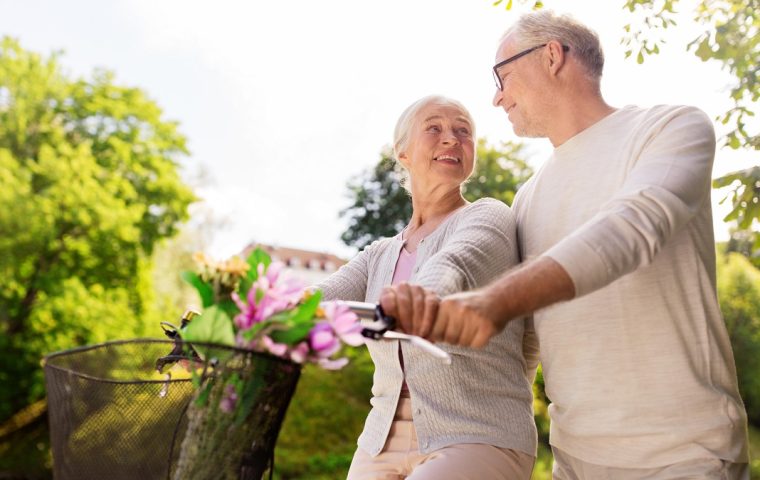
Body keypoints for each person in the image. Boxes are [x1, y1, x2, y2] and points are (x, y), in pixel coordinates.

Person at [380, 11, 751, 480]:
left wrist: (492, 301)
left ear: (551, 56)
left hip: (684, 455)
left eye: (503, 76)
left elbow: (633, 227)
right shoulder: (529, 198)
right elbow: (526, 344)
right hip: (574, 463)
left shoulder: (669, 128)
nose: (497, 98)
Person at [316, 95, 537, 479]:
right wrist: (238, 316)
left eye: (463, 131)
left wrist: (421, 296)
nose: (451, 138)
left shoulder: (487, 215)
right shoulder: (379, 254)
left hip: (477, 432)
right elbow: (315, 301)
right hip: (380, 441)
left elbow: (455, 264)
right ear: (402, 153)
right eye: (434, 128)